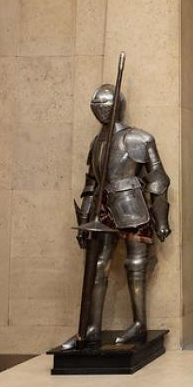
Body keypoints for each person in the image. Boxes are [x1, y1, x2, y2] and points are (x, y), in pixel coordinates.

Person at [58, 83, 171, 351]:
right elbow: (91, 182)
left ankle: (139, 324)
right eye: (97, 108)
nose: (102, 112)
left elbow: (157, 179)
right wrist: (85, 217)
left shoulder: (139, 138)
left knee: (135, 267)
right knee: (97, 267)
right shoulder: (97, 142)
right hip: (102, 208)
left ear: (117, 107)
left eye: (106, 107)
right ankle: (91, 329)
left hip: (132, 205)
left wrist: (162, 220)